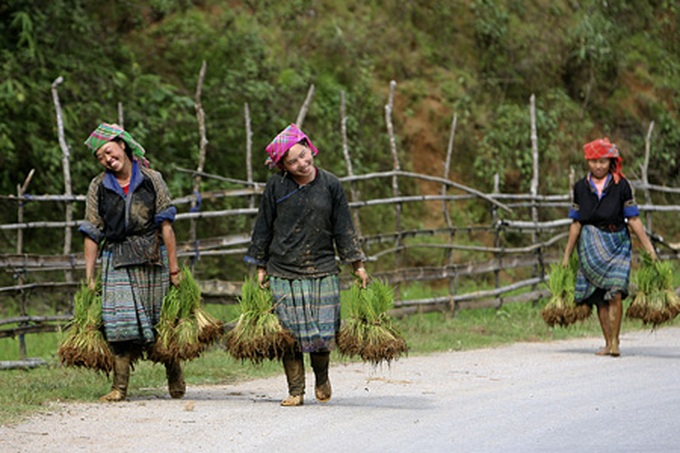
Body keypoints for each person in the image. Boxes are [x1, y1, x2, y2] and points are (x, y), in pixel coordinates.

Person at [244, 123, 369, 406]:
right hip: (283, 269)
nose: (302, 163)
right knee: (289, 335)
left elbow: (344, 227)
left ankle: (322, 377)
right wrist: (261, 266)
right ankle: (296, 390)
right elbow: (264, 225)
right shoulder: (276, 186)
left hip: (322, 268)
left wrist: (357, 264)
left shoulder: (331, 185)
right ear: (283, 167)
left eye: (303, 155)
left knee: (322, 335)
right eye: (293, 161)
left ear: (309, 148)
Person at [80, 123, 185, 401]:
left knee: (161, 321)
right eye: (101, 157)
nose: (107, 159)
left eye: (109, 152)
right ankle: (120, 387)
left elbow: (166, 225)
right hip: (117, 256)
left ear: (123, 145)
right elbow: (92, 232)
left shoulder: (151, 179)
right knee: (119, 322)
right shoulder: (98, 186)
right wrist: (90, 277)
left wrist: (174, 268)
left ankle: (174, 370)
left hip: (153, 256)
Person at [562, 137, 657, 357]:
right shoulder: (580, 187)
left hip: (618, 242)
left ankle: (615, 342)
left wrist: (649, 249)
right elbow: (576, 223)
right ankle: (607, 342)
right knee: (599, 297)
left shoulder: (621, 185)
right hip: (590, 243)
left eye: (603, 161)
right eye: (594, 161)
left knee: (615, 292)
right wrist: (567, 254)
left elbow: (633, 219)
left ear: (610, 162)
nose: (598, 166)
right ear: (588, 162)